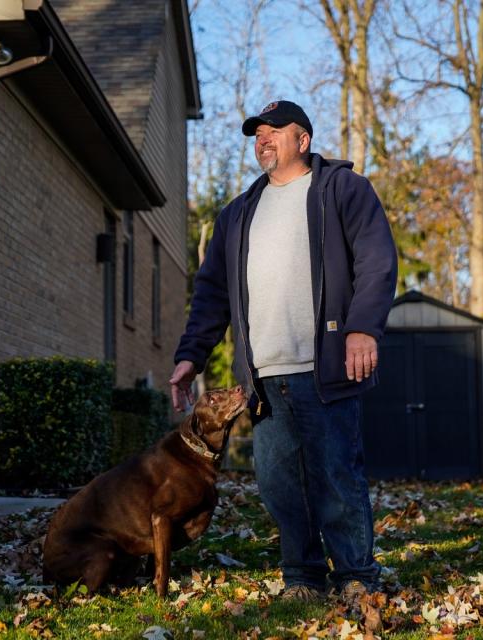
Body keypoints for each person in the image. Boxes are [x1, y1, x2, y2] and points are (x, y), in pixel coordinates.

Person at [170, 100, 397, 604]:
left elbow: (377, 261)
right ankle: (303, 579)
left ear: (304, 140)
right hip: (264, 378)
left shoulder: (342, 190)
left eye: (275, 131)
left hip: (327, 368)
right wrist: (192, 356)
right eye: (257, 134)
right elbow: (211, 294)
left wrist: (363, 329)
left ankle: (357, 578)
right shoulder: (238, 213)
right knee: (279, 486)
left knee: (337, 478)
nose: (263, 139)